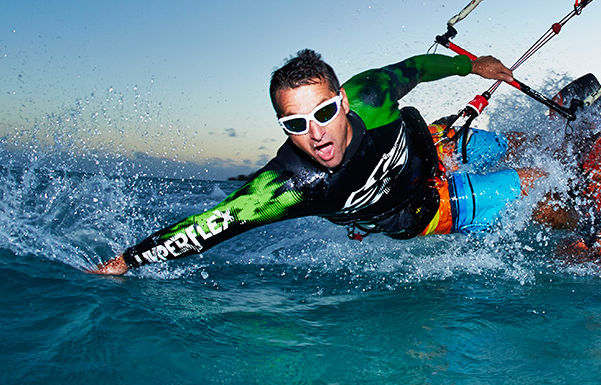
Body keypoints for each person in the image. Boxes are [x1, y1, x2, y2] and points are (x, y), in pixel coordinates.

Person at [90, 49, 536, 275]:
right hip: (422, 209)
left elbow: (415, 67)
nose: (316, 134)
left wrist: (472, 67)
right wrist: (128, 261)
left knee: (519, 143)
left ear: (342, 101)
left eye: (323, 113)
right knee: (537, 181)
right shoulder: (288, 187)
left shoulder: (371, 93)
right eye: (295, 123)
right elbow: (210, 225)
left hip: (432, 145)